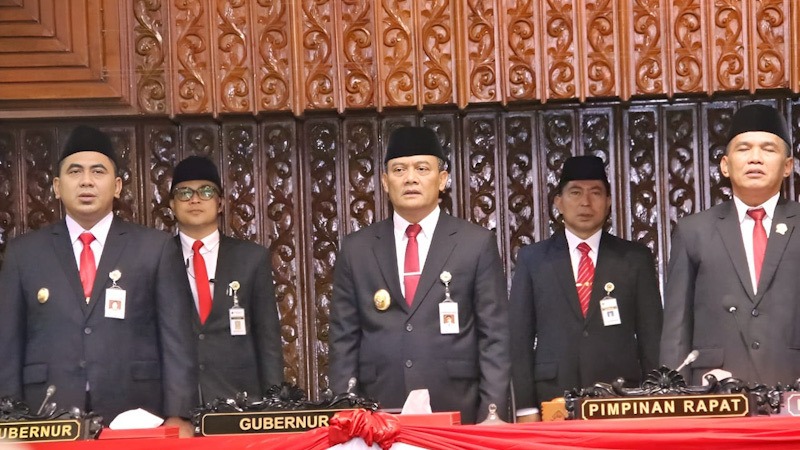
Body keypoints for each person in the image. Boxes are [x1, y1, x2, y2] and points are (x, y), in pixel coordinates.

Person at [0, 126, 196, 432]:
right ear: (56, 186)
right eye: (74, 171)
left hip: (138, 412)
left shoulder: (155, 248)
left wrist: (179, 415)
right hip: (45, 415)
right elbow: (8, 345)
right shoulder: (24, 253)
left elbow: (177, 340)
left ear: (117, 186)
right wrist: (7, 418)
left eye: (98, 171)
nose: (86, 181)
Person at [328, 126, 510, 424]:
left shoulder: (475, 243)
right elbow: (343, 339)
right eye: (399, 170)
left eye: (422, 168)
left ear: (442, 179)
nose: (410, 178)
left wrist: (492, 414)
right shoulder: (357, 248)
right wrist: (348, 411)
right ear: (385, 182)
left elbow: (495, 338)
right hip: (378, 413)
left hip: (458, 407)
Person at [509, 155, 662, 422]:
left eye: (596, 193)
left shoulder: (635, 259)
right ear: (558, 202)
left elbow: (653, 339)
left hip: (621, 398)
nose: (585, 202)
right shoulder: (533, 259)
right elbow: (519, 340)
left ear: (609, 202)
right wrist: (525, 407)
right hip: (552, 397)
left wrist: (655, 400)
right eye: (575, 192)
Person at [661, 104, 800, 386]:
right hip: (715, 394)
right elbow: (677, 330)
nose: (755, 158)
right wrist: (674, 394)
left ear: (788, 167)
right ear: (725, 165)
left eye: (768, 149)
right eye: (744, 149)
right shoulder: (693, 231)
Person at [169, 156, 284, 403]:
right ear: (172, 205)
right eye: (184, 193)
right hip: (175, 402)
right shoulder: (157, 258)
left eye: (206, 191)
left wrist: (274, 401)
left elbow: (267, 337)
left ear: (220, 203)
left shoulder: (251, 258)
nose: (195, 199)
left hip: (240, 399)